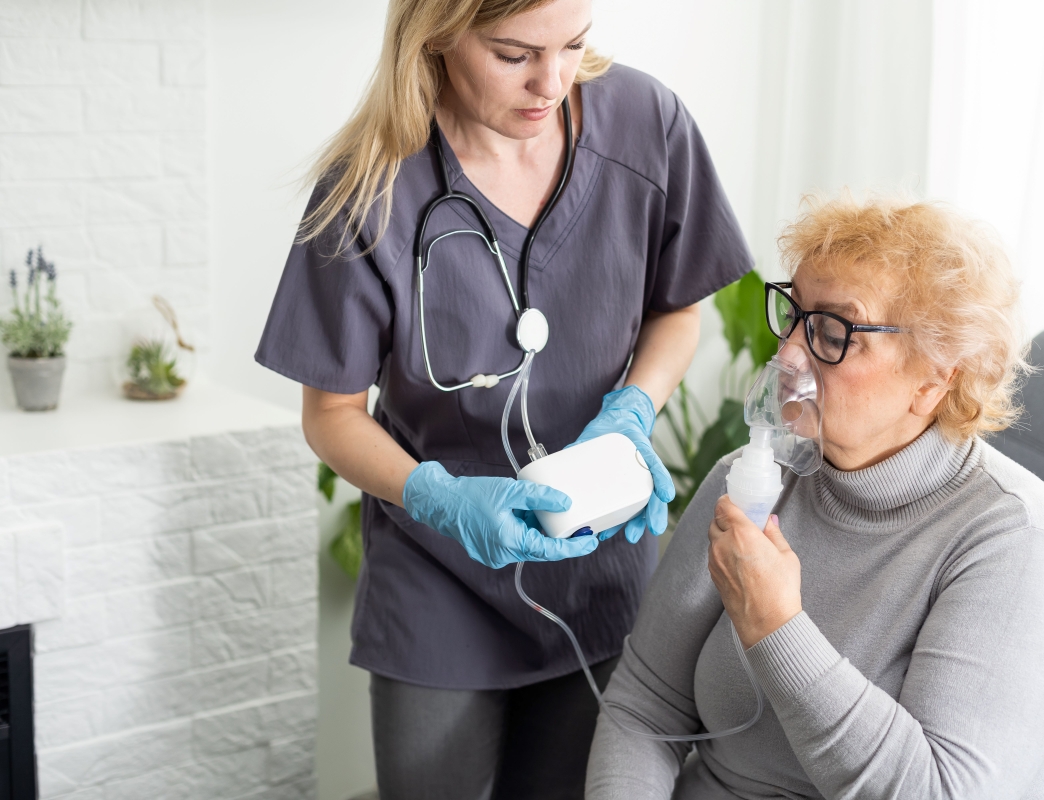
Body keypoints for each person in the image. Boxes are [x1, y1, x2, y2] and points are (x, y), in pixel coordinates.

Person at [254, 0, 752, 797]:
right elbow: (333, 415)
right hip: (437, 572)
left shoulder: (645, 121)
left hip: (596, 559)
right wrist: (437, 495)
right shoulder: (367, 188)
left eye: (574, 45)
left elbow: (677, 310)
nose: (551, 81)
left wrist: (632, 412)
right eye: (514, 52)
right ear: (438, 32)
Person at [586, 196, 1044, 799]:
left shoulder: (1015, 544)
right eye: (795, 315)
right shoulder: (752, 478)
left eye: (834, 332)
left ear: (935, 379)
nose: (787, 356)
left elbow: (941, 792)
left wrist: (776, 627)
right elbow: (644, 708)